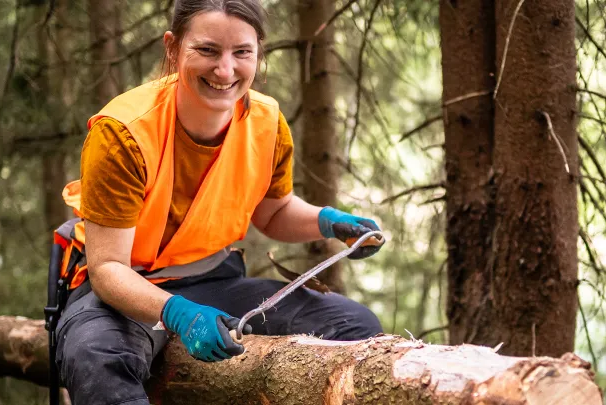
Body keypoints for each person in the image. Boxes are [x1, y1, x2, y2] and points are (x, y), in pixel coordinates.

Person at [52, 1, 385, 404]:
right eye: (207, 50)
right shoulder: (122, 132)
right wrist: (178, 314)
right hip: (122, 291)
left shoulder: (267, 123)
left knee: (353, 324)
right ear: (173, 48)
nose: (225, 71)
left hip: (214, 281)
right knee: (95, 357)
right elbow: (107, 270)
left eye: (241, 52)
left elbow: (274, 212)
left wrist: (330, 222)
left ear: (258, 52)